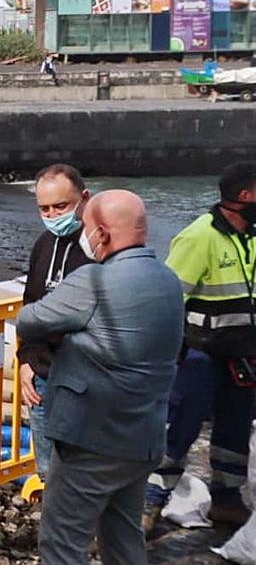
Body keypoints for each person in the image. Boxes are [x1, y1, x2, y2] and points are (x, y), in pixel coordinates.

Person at [17, 190, 184, 565]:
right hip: (143, 438)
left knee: (62, 544)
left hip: (91, 439)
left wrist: (69, 332)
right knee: (123, 539)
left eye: (87, 229)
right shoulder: (169, 281)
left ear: (102, 234)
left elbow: (29, 319)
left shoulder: (92, 281)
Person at [145, 162, 256, 531]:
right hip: (199, 356)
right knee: (180, 427)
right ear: (245, 196)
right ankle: (149, 502)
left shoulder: (252, 236)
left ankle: (227, 499)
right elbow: (168, 299)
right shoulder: (199, 237)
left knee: (235, 431)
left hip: (242, 357)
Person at [17, 164, 94, 484]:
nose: (52, 216)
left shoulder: (101, 249)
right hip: (43, 377)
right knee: (49, 470)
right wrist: (24, 362)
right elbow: (30, 306)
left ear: (84, 199)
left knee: (85, 471)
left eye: (60, 206)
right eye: (44, 208)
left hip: (86, 382)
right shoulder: (44, 244)